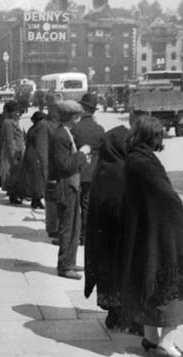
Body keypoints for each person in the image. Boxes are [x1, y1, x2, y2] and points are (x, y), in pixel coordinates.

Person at [85, 116, 183, 357]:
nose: (161, 139)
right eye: (159, 135)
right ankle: (166, 344)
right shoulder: (144, 162)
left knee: (149, 284)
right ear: (151, 137)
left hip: (144, 234)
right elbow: (166, 198)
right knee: (176, 286)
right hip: (159, 234)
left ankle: (151, 338)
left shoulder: (133, 159)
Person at [47, 100, 91, 280]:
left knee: (74, 226)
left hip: (71, 184)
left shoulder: (64, 133)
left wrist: (80, 159)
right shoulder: (61, 136)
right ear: (73, 117)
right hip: (65, 187)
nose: (79, 119)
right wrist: (82, 154)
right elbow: (63, 165)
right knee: (68, 226)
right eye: (78, 116)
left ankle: (70, 261)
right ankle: (65, 266)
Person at [71, 93, 105, 245]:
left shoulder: (75, 128)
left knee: (76, 204)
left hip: (77, 169)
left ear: (83, 109)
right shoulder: (99, 129)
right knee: (87, 203)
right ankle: (86, 234)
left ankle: (78, 233)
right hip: (94, 172)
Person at [18, 111, 48, 209]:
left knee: (32, 178)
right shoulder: (41, 128)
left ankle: (35, 199)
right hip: (36, 154)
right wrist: (43, 158)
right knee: (38, 178)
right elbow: (40, 144)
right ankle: (37, 198)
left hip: (29, 152)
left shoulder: (33, 128)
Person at [43, 92, 63, 238]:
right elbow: (42, 151)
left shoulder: (62, 123)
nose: (59, 109)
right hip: (51, 168)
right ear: (49, 107)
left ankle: (60, 225)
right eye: (56, 106)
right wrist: (46, 172)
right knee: (51, 199)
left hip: (63, 167)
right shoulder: (45, 125)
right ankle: (52, 227)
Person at [0, 100, 25, 204]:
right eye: (16, 111)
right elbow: (9, 140)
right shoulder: (8, 123)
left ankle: (15, 193)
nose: (18, 114)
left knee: (17, 172)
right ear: (11, 112)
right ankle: (13, 195)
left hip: (18, 150)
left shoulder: (16, 122)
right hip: (13, 151)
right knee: (13, 172)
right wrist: (12, 155)